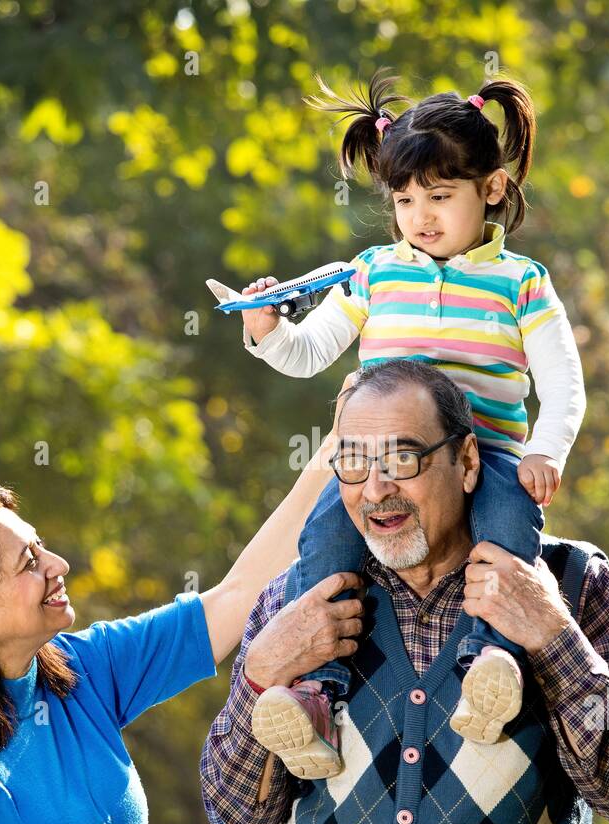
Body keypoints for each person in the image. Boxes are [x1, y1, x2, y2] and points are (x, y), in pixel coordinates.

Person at [0, 378, 360, 824]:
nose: (58, 566)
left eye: (41, 546)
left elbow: (231, 601)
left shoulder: (82, 671)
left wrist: (335, 449)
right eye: (29, 563)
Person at [200, 360, 609, 824]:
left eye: (403, 459)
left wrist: (552, 632)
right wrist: (260, 675)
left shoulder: (568, 581)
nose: (376, 490)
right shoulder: (297, 602)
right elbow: (236, 818)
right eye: (353, 463)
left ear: (467, 461)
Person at [228, 69, 586, 779]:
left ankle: (493, 664)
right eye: (405, 199)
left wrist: (547, 450)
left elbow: (563, 385)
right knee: (324, 537)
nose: (420, 215)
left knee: (511, 528)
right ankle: (316, 697)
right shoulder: (373, 273)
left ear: (490, 190)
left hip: (490, 455)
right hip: (376, 461)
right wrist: (267, 329)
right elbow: (308, 354)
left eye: (440, 196)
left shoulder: (521, 283)